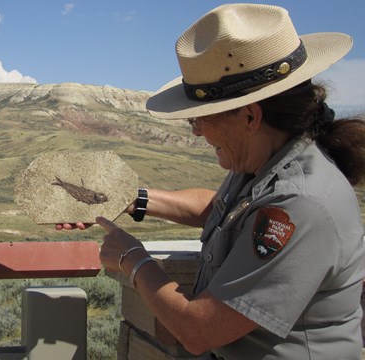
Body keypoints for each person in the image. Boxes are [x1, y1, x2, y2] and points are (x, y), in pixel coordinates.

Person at [58, 3, 365, 359]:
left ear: (250, 116)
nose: (197, 132)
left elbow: (199, 329)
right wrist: (130, 198)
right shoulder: (263, 162)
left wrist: (132, 258)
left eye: (199, 119)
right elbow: (221, 211)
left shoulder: (300, 203)